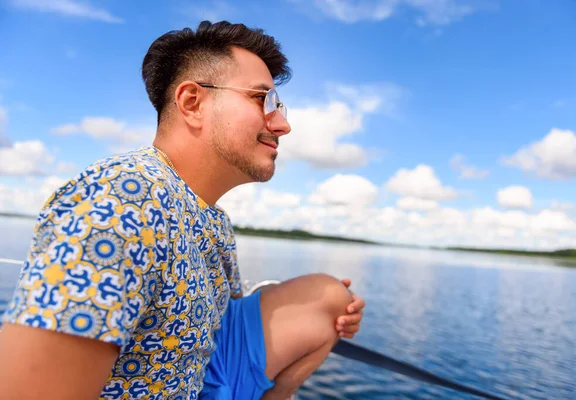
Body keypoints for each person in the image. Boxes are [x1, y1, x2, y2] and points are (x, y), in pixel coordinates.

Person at [0, 20, 365, 400]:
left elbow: (220, 317)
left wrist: (314, 309)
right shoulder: (120, 202)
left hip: (198, 377)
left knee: (329, 296)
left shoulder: (212, 218)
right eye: (263, 99)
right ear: (192, 103)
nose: (283, 124)